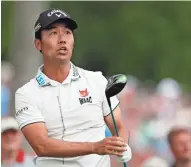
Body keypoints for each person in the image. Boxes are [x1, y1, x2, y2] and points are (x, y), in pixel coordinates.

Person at [15, 8, 132, 167]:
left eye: (67, 32)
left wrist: (123, 146)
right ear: (38, 44)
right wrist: (95, 147)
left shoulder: (96, 81)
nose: (62, 39)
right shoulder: (26, 94)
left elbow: (119, 126)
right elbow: (41, 145)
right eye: (53, 33)